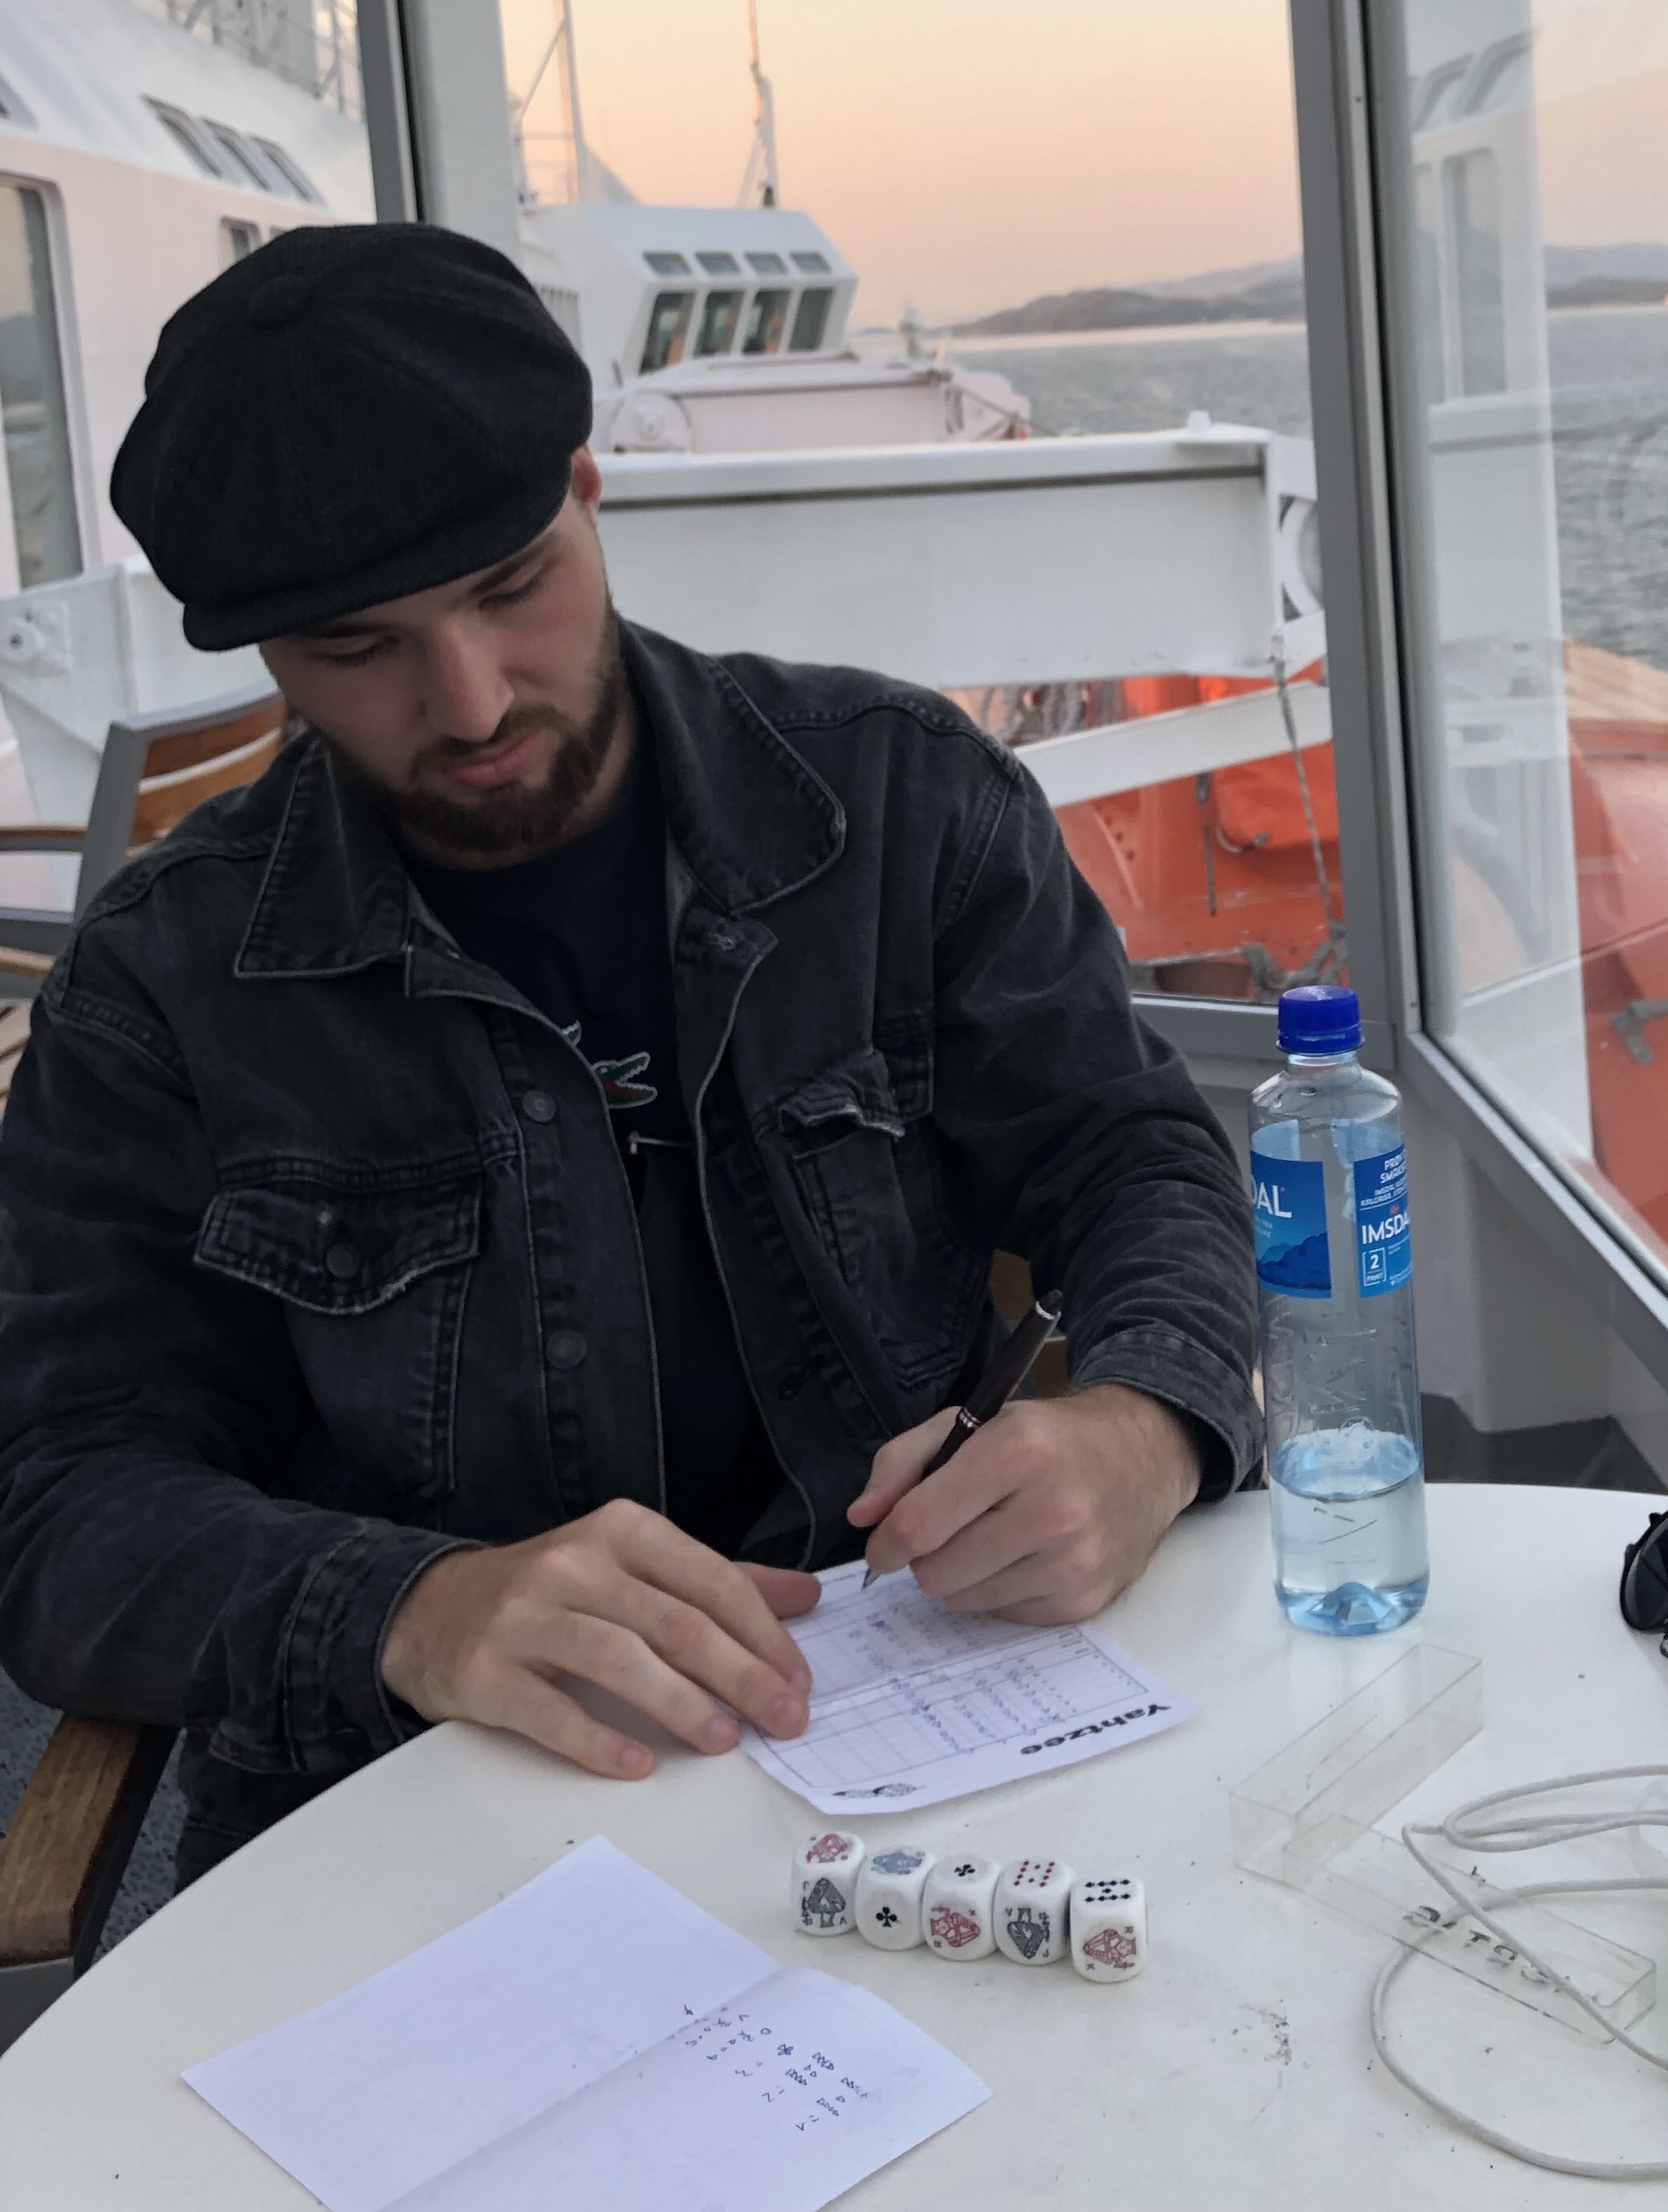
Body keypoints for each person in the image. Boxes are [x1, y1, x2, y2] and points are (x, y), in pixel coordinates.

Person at [0, 225, 1256, 1881]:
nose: (469, 702)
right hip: (422, 1803)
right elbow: (60, 1496)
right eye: (357, 650)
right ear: (262, 652)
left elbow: (1134, 1157)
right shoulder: (156, 987)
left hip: (917, 1716)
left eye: (510, 587)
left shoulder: (906, 804)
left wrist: (1145, 1422)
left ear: (587, 493)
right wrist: (417, 1609)